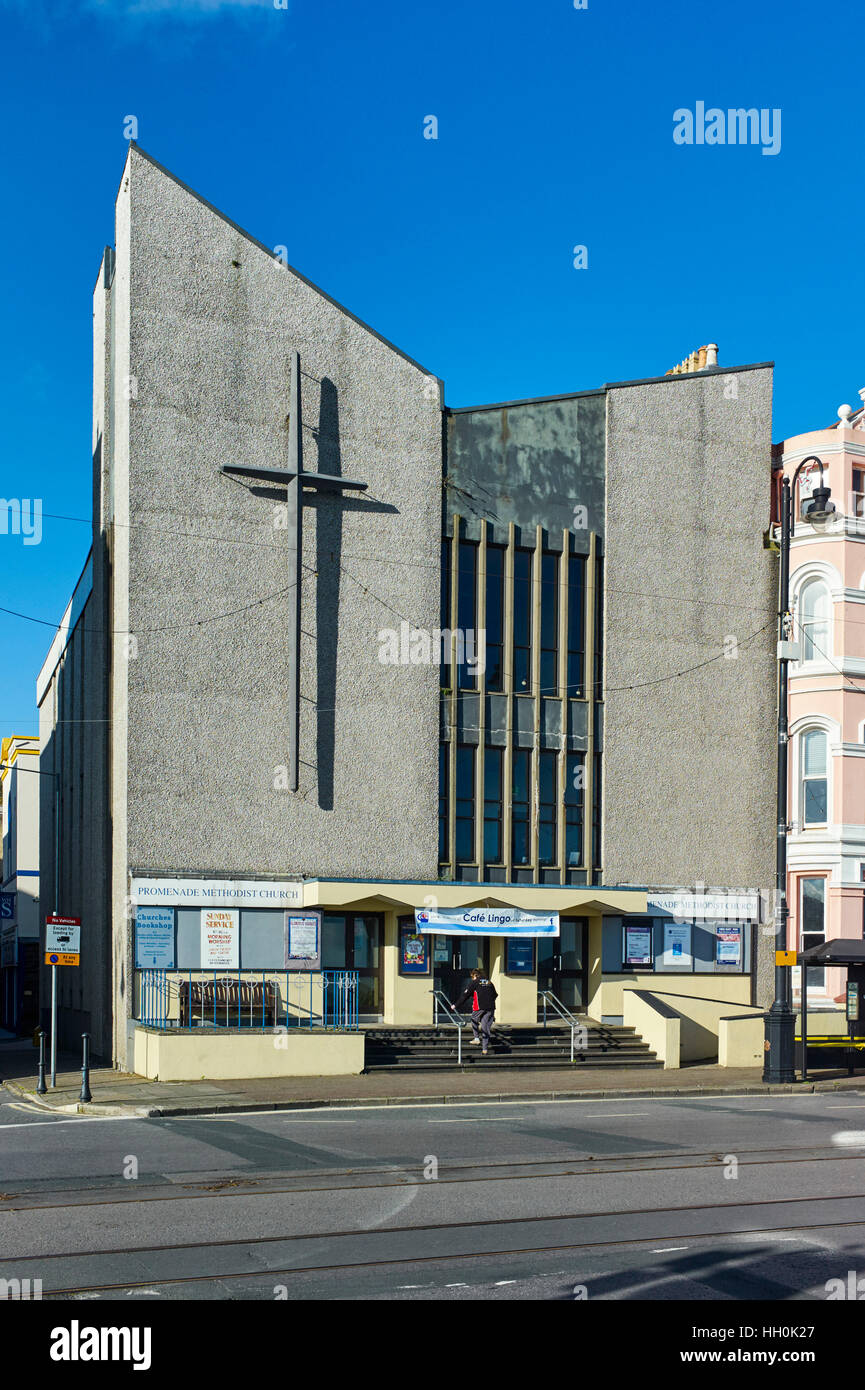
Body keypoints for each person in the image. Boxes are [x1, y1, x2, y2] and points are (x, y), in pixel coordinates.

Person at [453, 967, 497, 1055]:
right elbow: (495, 995)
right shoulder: (489, 982)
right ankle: (485, 1049)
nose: (472, 978)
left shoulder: (475, 982)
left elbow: (465, 995)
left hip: (479, 1007)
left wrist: (455, 1005)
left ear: (475, 975)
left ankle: (476, 1038)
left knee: (473, 1019)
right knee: (485, 1027)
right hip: (491, 1008)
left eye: (472, 976)